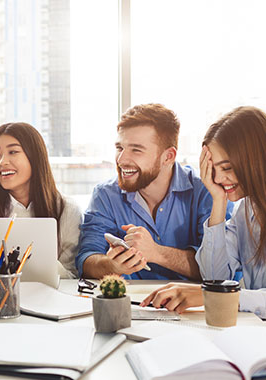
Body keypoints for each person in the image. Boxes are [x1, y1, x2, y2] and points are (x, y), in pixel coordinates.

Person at [77, 103, 228, 280]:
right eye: (120, 148)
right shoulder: (105, 195)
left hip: (191, 306)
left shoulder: (206, 191)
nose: (121, 159)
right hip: (130, 304)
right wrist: (111, 265)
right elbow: (86, 259)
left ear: (168, 156)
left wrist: (156, 252)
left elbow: (220, 271)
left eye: (136, 150)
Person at [142, 106, 266, 318]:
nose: (217, 179)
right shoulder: (244, 210)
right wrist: (218, 201)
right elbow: (213, 276)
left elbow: (212, 289)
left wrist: (215, 295)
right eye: (213, 170)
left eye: (226, 168)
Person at [0, 122, 82, 278]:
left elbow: (72, 275)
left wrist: (42, 264)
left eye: (13, 152)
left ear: (35, 157)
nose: (2, 162)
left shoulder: (67, 210)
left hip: (49, 299)